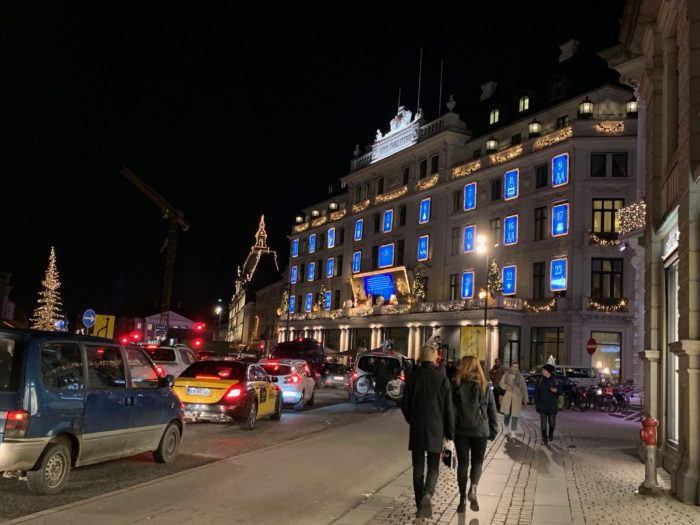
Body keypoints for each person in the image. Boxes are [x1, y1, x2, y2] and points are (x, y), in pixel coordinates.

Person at [401, 345, 455, 519]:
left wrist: (412, 419)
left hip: (417, 427)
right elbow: (448, 409)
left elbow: (405, 404)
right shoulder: (442, 380)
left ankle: (420, 504)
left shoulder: (412, 377)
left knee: (418, 467)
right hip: (436, 428)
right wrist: (450, 433)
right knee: (433, 465)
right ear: (434, 359)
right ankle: (427, 494)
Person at [452, 356, 498, 514]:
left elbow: (451, 409)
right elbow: (492, 408)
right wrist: (493, 429)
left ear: (463, 366)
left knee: (463, 464)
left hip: (461, 430)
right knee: (477, 462)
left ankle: (462, 500)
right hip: (480, 430)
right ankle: (474, 487)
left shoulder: (457, 382)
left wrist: (449, 430)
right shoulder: (485, 384)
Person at [499, 361, 528, 437]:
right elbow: (501, 383)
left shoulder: (520, 376)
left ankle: (513, 431)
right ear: (511, 367)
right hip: (508, 397)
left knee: (515, 415)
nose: (515, 368)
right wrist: (506, 386)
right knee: (507, 414)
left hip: (517, 397)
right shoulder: (506, 374)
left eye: (516, 367)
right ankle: (506, 427)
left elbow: (524, 388)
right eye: (513, 367)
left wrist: (525, 399)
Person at [535, 364, 561, 444]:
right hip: (542, 405)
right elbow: (536, 392)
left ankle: (550, 433)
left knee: (552, 424)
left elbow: (561, 390)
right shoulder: (540, 380)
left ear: (548, 371)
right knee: (543, 424)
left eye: (543, 370)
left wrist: (556, 391)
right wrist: (536, 403)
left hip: (552, 405)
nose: (542, 371)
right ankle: (545, 438)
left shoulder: (555, 379)